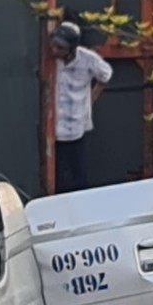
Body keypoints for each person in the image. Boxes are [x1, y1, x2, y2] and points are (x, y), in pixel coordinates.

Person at [49, 21, 112, 193]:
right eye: (54, 45)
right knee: (57, 178)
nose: (55, 51)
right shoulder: (50, 61)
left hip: (76, 125)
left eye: (60, 48)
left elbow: (105, 75)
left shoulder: (87, 59)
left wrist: (91, 99)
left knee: (79, 175)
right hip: (54, 129)